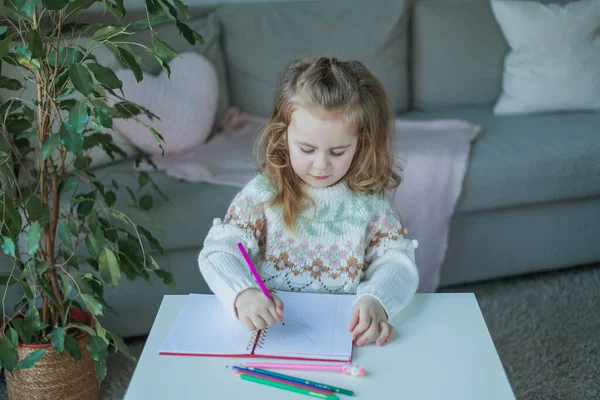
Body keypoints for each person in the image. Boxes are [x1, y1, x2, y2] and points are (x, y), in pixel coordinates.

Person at [198, 55, 419, 347]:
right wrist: (243, 293)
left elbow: (397, 261)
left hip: (345, 337)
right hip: (273, 333)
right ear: (283, 135)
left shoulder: (370, 201)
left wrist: (376, 299)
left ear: (360, 144)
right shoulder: (265, 192)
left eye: (338, 152)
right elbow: (219, 250)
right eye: (306, 149)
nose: (320, 165)